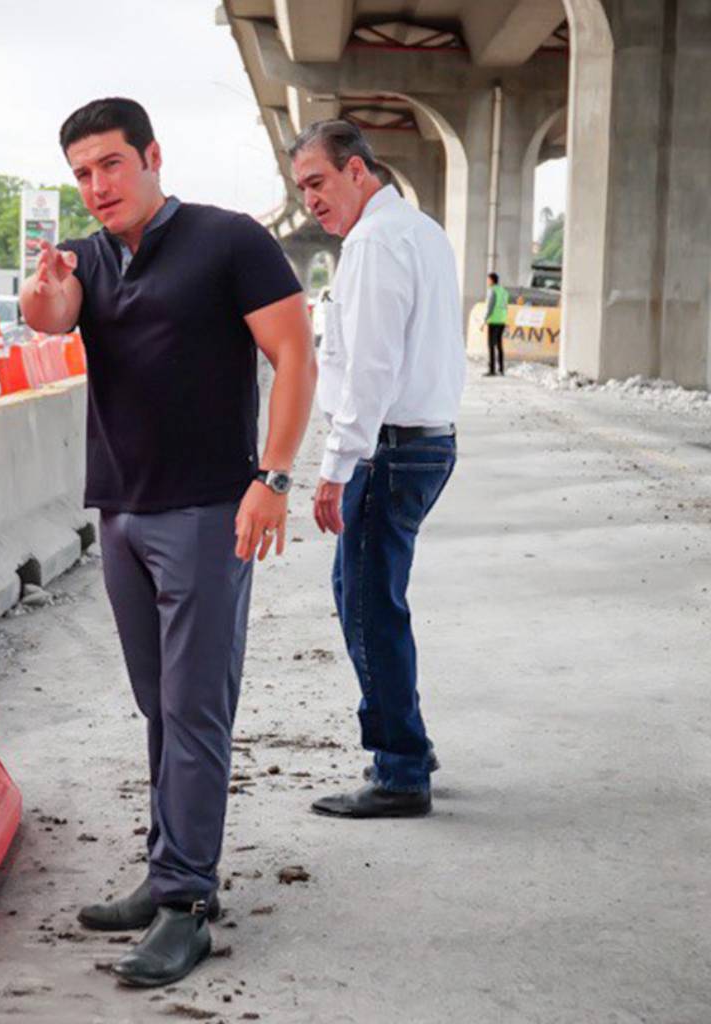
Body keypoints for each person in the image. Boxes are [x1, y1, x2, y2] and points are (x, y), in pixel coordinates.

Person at [20, 97, 315, 987]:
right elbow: (52, 322)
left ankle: (187, 901)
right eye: (81, 173)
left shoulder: (229, 241)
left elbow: (295, 356)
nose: (97, 186)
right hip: (121, 510)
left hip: (207, 511)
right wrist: (45, 301)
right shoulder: (88, 259)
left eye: (110, 164)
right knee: (161, 706)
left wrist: (272, 478)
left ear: (151, 156)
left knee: (195, 709)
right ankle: (169, 871)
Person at [289, 119, 465, 819]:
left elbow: (373, 365)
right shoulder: (420, 231)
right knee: (374, 599)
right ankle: (409, 749)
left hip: (389, 448)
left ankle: (398, 771)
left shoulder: (371, 244)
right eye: (302, 189)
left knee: (367, 605)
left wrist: (337, 465)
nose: (311, 202)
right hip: (425, 441)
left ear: (358, 171)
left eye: (319, 183)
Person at [485, 271, 509, 375]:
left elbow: (491, 306)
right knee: (499, 345)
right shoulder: (504, 291)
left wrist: (485, 318)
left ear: (492, 280)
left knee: (491, 345)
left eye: (488, 279)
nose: (487, 281)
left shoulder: (492, 291)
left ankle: (492, 370)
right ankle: (501, 369)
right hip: (502, 320)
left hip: (494, 320)